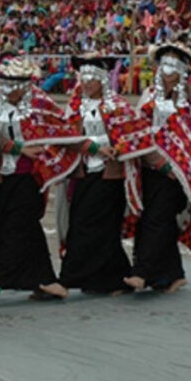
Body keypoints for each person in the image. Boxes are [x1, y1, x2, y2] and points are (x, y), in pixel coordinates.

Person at [0, 54, 84, 302]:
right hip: (3, 176)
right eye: (4, 83)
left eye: (13, 84)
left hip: (31, 175)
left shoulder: (40, 103)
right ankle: (45, 280)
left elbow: (62, 129)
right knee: (13, 226)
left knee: (18, 224)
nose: (7, 90)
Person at [55, 53, 154, 294]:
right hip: (84, 171)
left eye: (92, 78)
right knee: (81, 221)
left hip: (110, 174)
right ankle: (110, 279)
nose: (86, 83)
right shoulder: (75, 106)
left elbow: (137, 134)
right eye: (83, 78)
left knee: (100, 225)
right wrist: (91, 146)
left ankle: (70, 277)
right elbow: (65, 135)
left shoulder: (117, 106)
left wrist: (118, 147)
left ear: (102, 80)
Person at [127, 42, 191, 293]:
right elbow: (139, 127)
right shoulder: (148, 96)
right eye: (164, 66)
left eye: (174, 67)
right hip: (149, 166)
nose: (167, 73)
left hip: (177, 172)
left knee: (158, 218)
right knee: (154, 219)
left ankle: (142, 272)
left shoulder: (189, 100)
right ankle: (172, 274)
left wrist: (178, 165)